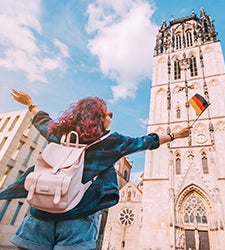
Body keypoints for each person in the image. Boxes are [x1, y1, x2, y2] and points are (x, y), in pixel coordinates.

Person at [5, 89, 191, 250]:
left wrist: (30, 103)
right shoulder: (111, 143)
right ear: (97, 118)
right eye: (106, 113)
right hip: (78, 218)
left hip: (40, 214)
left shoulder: (60, 134)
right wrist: (174, 135)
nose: (111, 114)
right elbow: (145, 142)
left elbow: (43, 122)